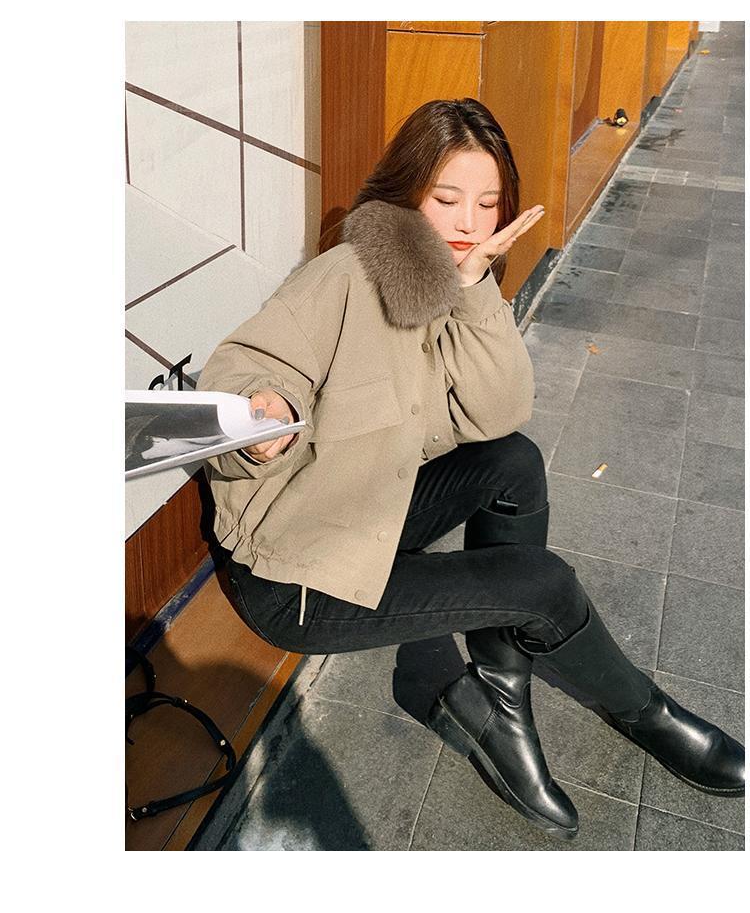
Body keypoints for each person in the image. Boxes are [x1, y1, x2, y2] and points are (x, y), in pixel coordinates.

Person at [197, 98, 744, 841]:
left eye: (487, 204)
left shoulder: (455, 284)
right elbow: (251, 362)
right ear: (407, 193)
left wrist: (477, 288)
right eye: (447, 198)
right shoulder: (348, 274)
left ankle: (501, 704)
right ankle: (649, 716)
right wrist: (266, 411)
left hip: (366, 515)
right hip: (295, 575)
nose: (467, 222)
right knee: (542, 586)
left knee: (514, 462)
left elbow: (499, 413)